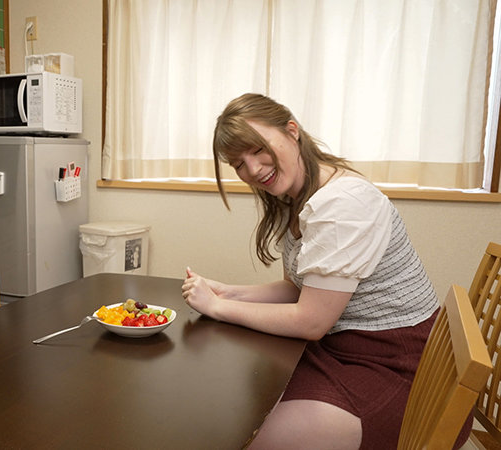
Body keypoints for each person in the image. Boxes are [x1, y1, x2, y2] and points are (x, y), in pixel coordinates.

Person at [181, 93, 453, 449]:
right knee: (235, 400)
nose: (253, 169)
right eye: (239, 164)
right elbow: (297, 289)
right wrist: (227, 291)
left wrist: (219, 307)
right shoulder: (297, 196)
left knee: (246, 435)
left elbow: (311, 321)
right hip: (341, 348)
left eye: (258, 149)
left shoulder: (341, 204)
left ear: (292, 131)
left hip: (398, 368)